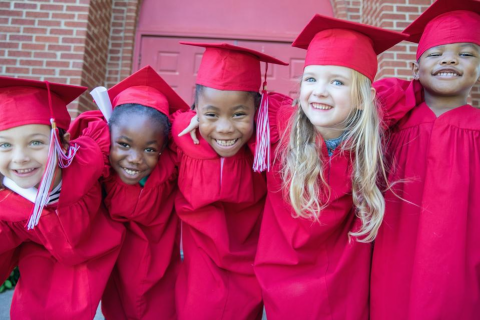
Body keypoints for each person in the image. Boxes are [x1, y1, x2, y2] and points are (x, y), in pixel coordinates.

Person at [252, 14, 408, 319]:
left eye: (337, 81)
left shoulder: (370, 140)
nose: (320, 90)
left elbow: (404, 92)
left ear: (365, 99)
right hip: (284, 287)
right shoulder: (277, 134)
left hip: (345, 292)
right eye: (311, 79)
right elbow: (226, 119)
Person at [370, 0, 480, 318]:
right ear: (415, 69)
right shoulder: (393, 127)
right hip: (393, 265)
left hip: (461, 270)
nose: (449, 59)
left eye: (466, 53)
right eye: (435, 53)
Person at [171, 42, 288, 320]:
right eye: (211, 114)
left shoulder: (263, 149)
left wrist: (264, 120)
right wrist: (185, 122)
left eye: (239, 114)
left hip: (248, 267)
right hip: (199, 269)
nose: (224, 128)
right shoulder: (185, 144)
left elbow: (293, 115)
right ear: (195, 111)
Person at [68, 65, 189, 320]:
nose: (134, 159)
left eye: (149, 149)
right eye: (123, 144)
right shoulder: (98, 171)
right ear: (107, 137)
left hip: (161, 268)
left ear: (164, 148)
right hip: (115, 268)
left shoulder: (171, 170)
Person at [0, 76, 125, 319]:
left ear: (63, 143)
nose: (20, 157)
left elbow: (106, 126)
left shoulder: (90, 162)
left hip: (105, 257)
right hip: (43, 271)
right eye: (4, 145)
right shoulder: (7, 206)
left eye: (36, 142)